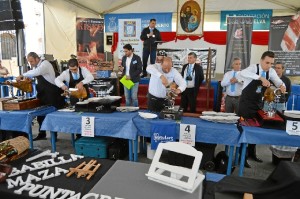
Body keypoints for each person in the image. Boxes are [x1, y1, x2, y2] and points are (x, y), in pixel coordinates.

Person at [238, 51, 286, 167]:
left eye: (271, 63)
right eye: (267, 63)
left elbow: (278, 81)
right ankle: (241, 157)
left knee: (256, 131)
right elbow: (242, 73)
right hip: (245, 105)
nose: (269, 66)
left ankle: (251, 153)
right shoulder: (254, 68)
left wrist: (282, 85)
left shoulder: (271, 71)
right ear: (261, 60)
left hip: (258, 105)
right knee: (244, 130)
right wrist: (260, 77)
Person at [16, 52, 65, 141]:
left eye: (31, 61)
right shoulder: (36, 66)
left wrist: (23, 75)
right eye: (29, 62)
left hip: (51, 94)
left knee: (52, 116)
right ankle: (42, 133)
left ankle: (54, 136)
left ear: (37, 58)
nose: (30, 63)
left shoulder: (45, 64)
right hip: (42, 94)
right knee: (40, 115)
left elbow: (37, 72)